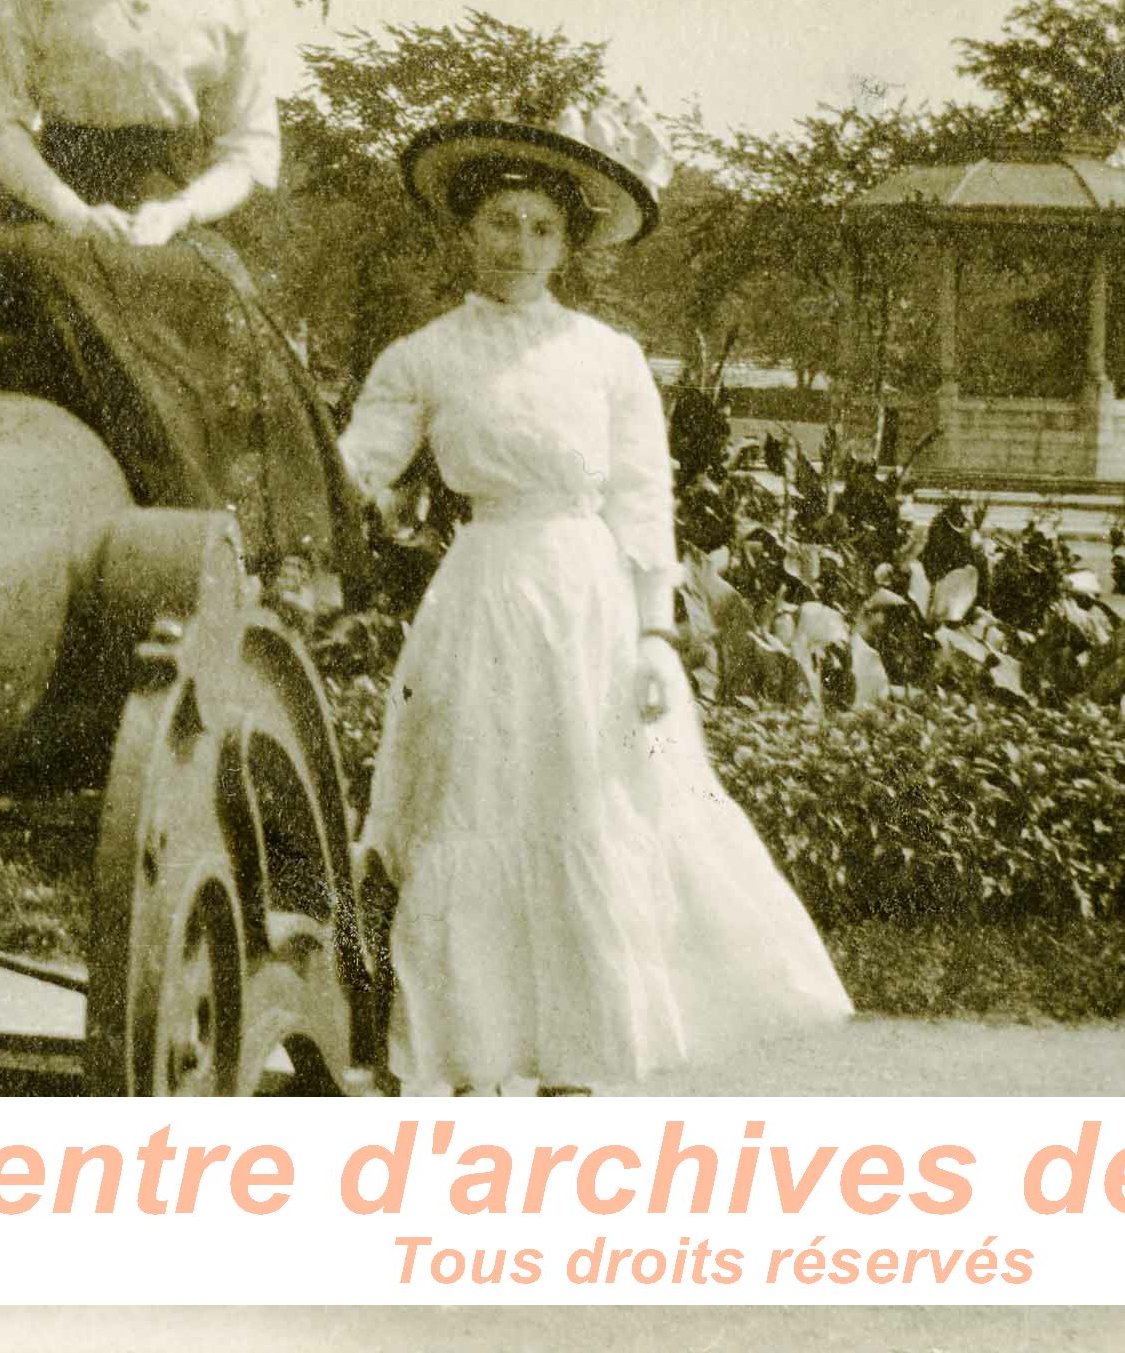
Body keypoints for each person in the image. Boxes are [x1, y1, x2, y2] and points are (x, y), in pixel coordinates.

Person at [336, 100, 853, 1095]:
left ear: (569, 241)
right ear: (465, 230)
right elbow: (359, 469)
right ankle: (472, 1057)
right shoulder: (422, 356)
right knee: (476, 810)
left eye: (541, 227)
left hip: (587, 606)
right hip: (482, 597)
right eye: (500, 222)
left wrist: (656, 636)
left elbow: (640, 496)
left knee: (585, 809)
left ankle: (578, 1063)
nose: (519, 245)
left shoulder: (607, 358)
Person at [0, 0, 363, 592]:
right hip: (53, 202)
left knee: (231, 309)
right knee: (50, 264)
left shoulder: (227, 0)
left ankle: (268, 558)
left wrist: (176, 214)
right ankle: (174, 508)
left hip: (172, 210)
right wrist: (66, 207)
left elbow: (249, 149)